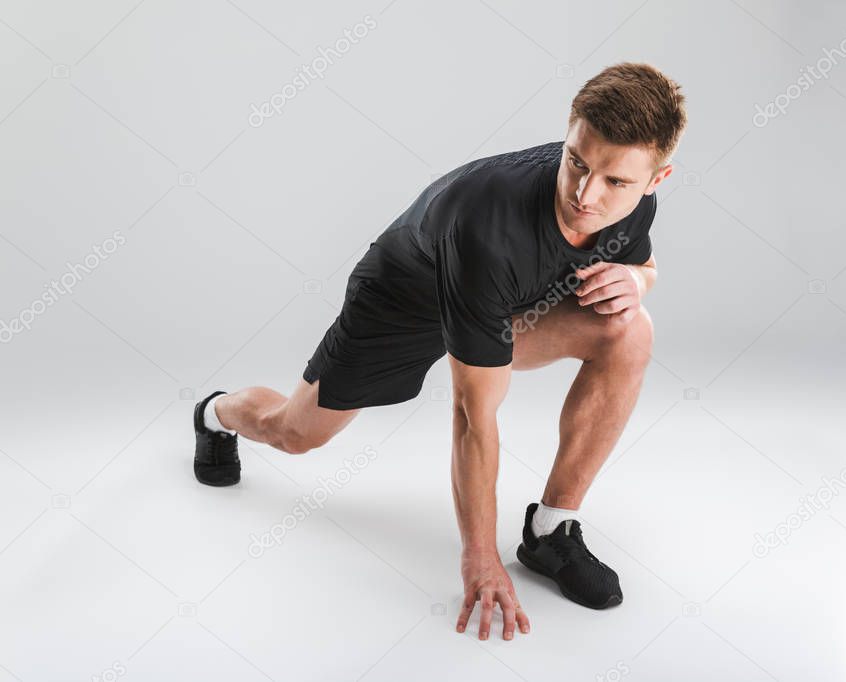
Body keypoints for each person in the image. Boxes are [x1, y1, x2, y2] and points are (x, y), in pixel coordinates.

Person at [192, 62, 686, 641]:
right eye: (576, 162)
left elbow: (641, 263)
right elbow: (473, 416)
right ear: (568, 136)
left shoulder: (632, 206)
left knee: (631, 328)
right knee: (295, 434)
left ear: (656, 179)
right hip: (402, 306)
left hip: (507, 307)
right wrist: (478, 557)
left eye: (615, 181)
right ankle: (215, 412)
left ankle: (552, 531)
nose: (585, 193)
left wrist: (640, 282)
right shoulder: (488, 226)